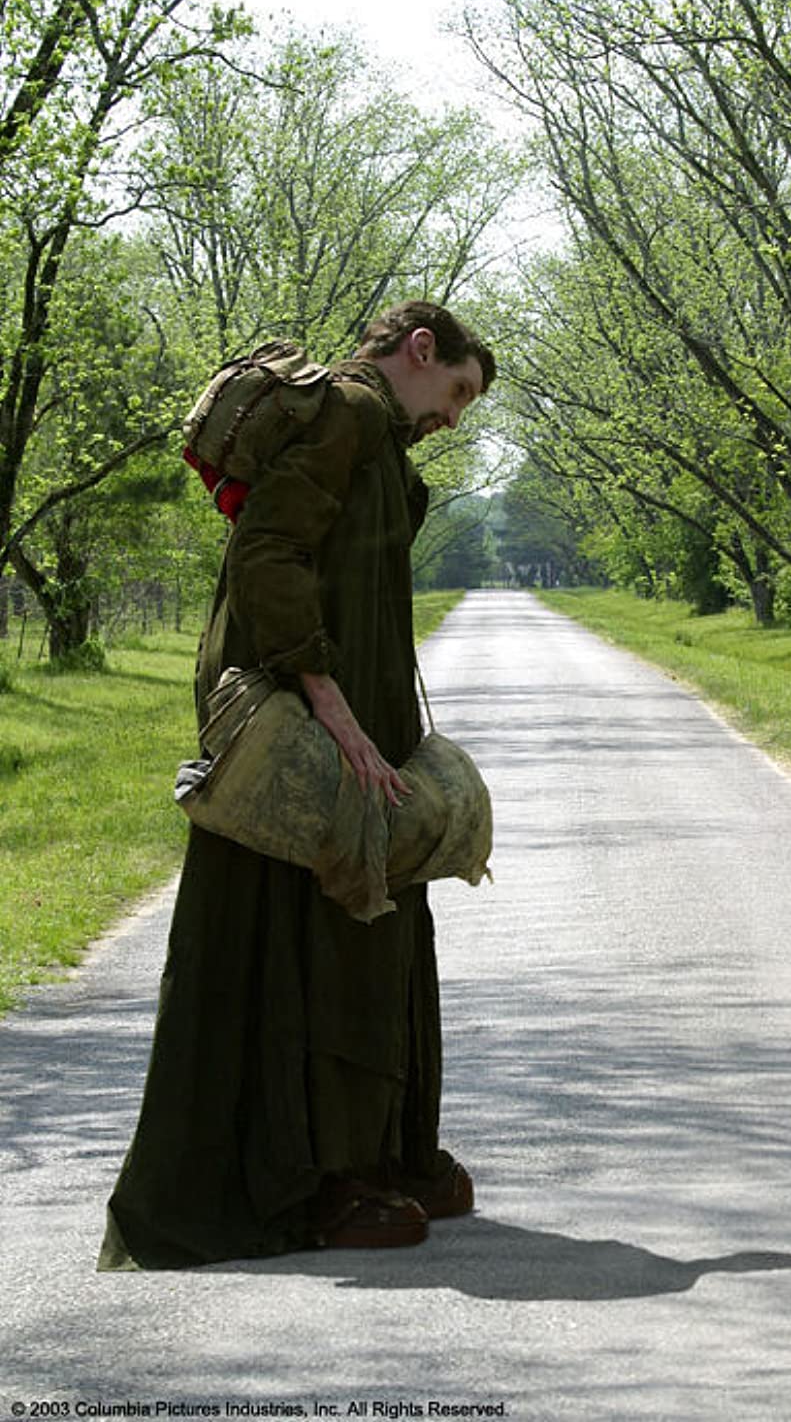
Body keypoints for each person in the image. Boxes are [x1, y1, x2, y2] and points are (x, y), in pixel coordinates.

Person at [99, 301, 496, 1268]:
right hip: (308, 704)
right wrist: (332, 705)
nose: (455, 418)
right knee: (317, 927)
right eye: (456, 392)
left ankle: (384, 1152)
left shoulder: (375, 434)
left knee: (373, 911)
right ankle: (319, 1178)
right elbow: (267, 555)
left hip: (356, 708)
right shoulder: (345, 415)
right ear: (419, 350)